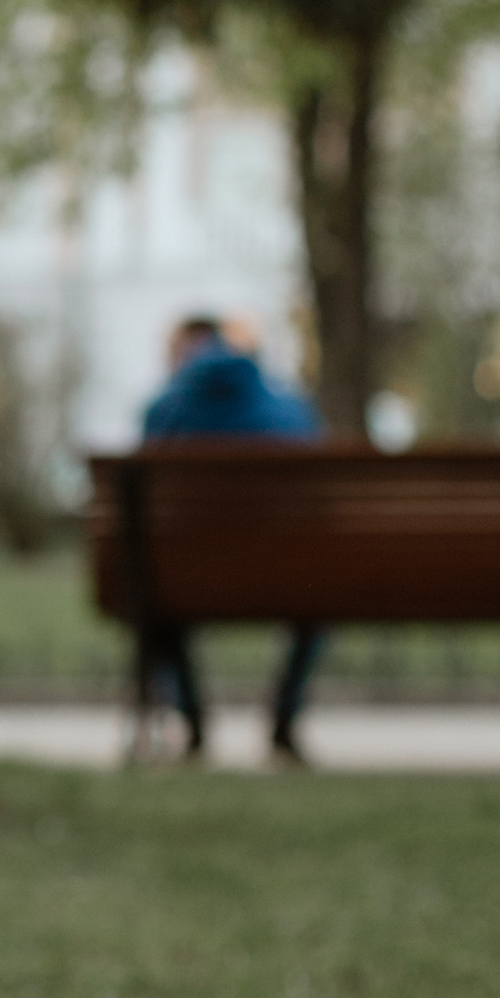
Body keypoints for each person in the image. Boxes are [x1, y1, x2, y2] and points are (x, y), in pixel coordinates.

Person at [139, 313, 326, 765]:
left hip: (186, 580)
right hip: (288, 578)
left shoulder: (164, 410)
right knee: (316, 602)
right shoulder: (289, 407)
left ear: (183, 353)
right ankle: (284, 720)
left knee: (157, 608)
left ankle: (194, 725)